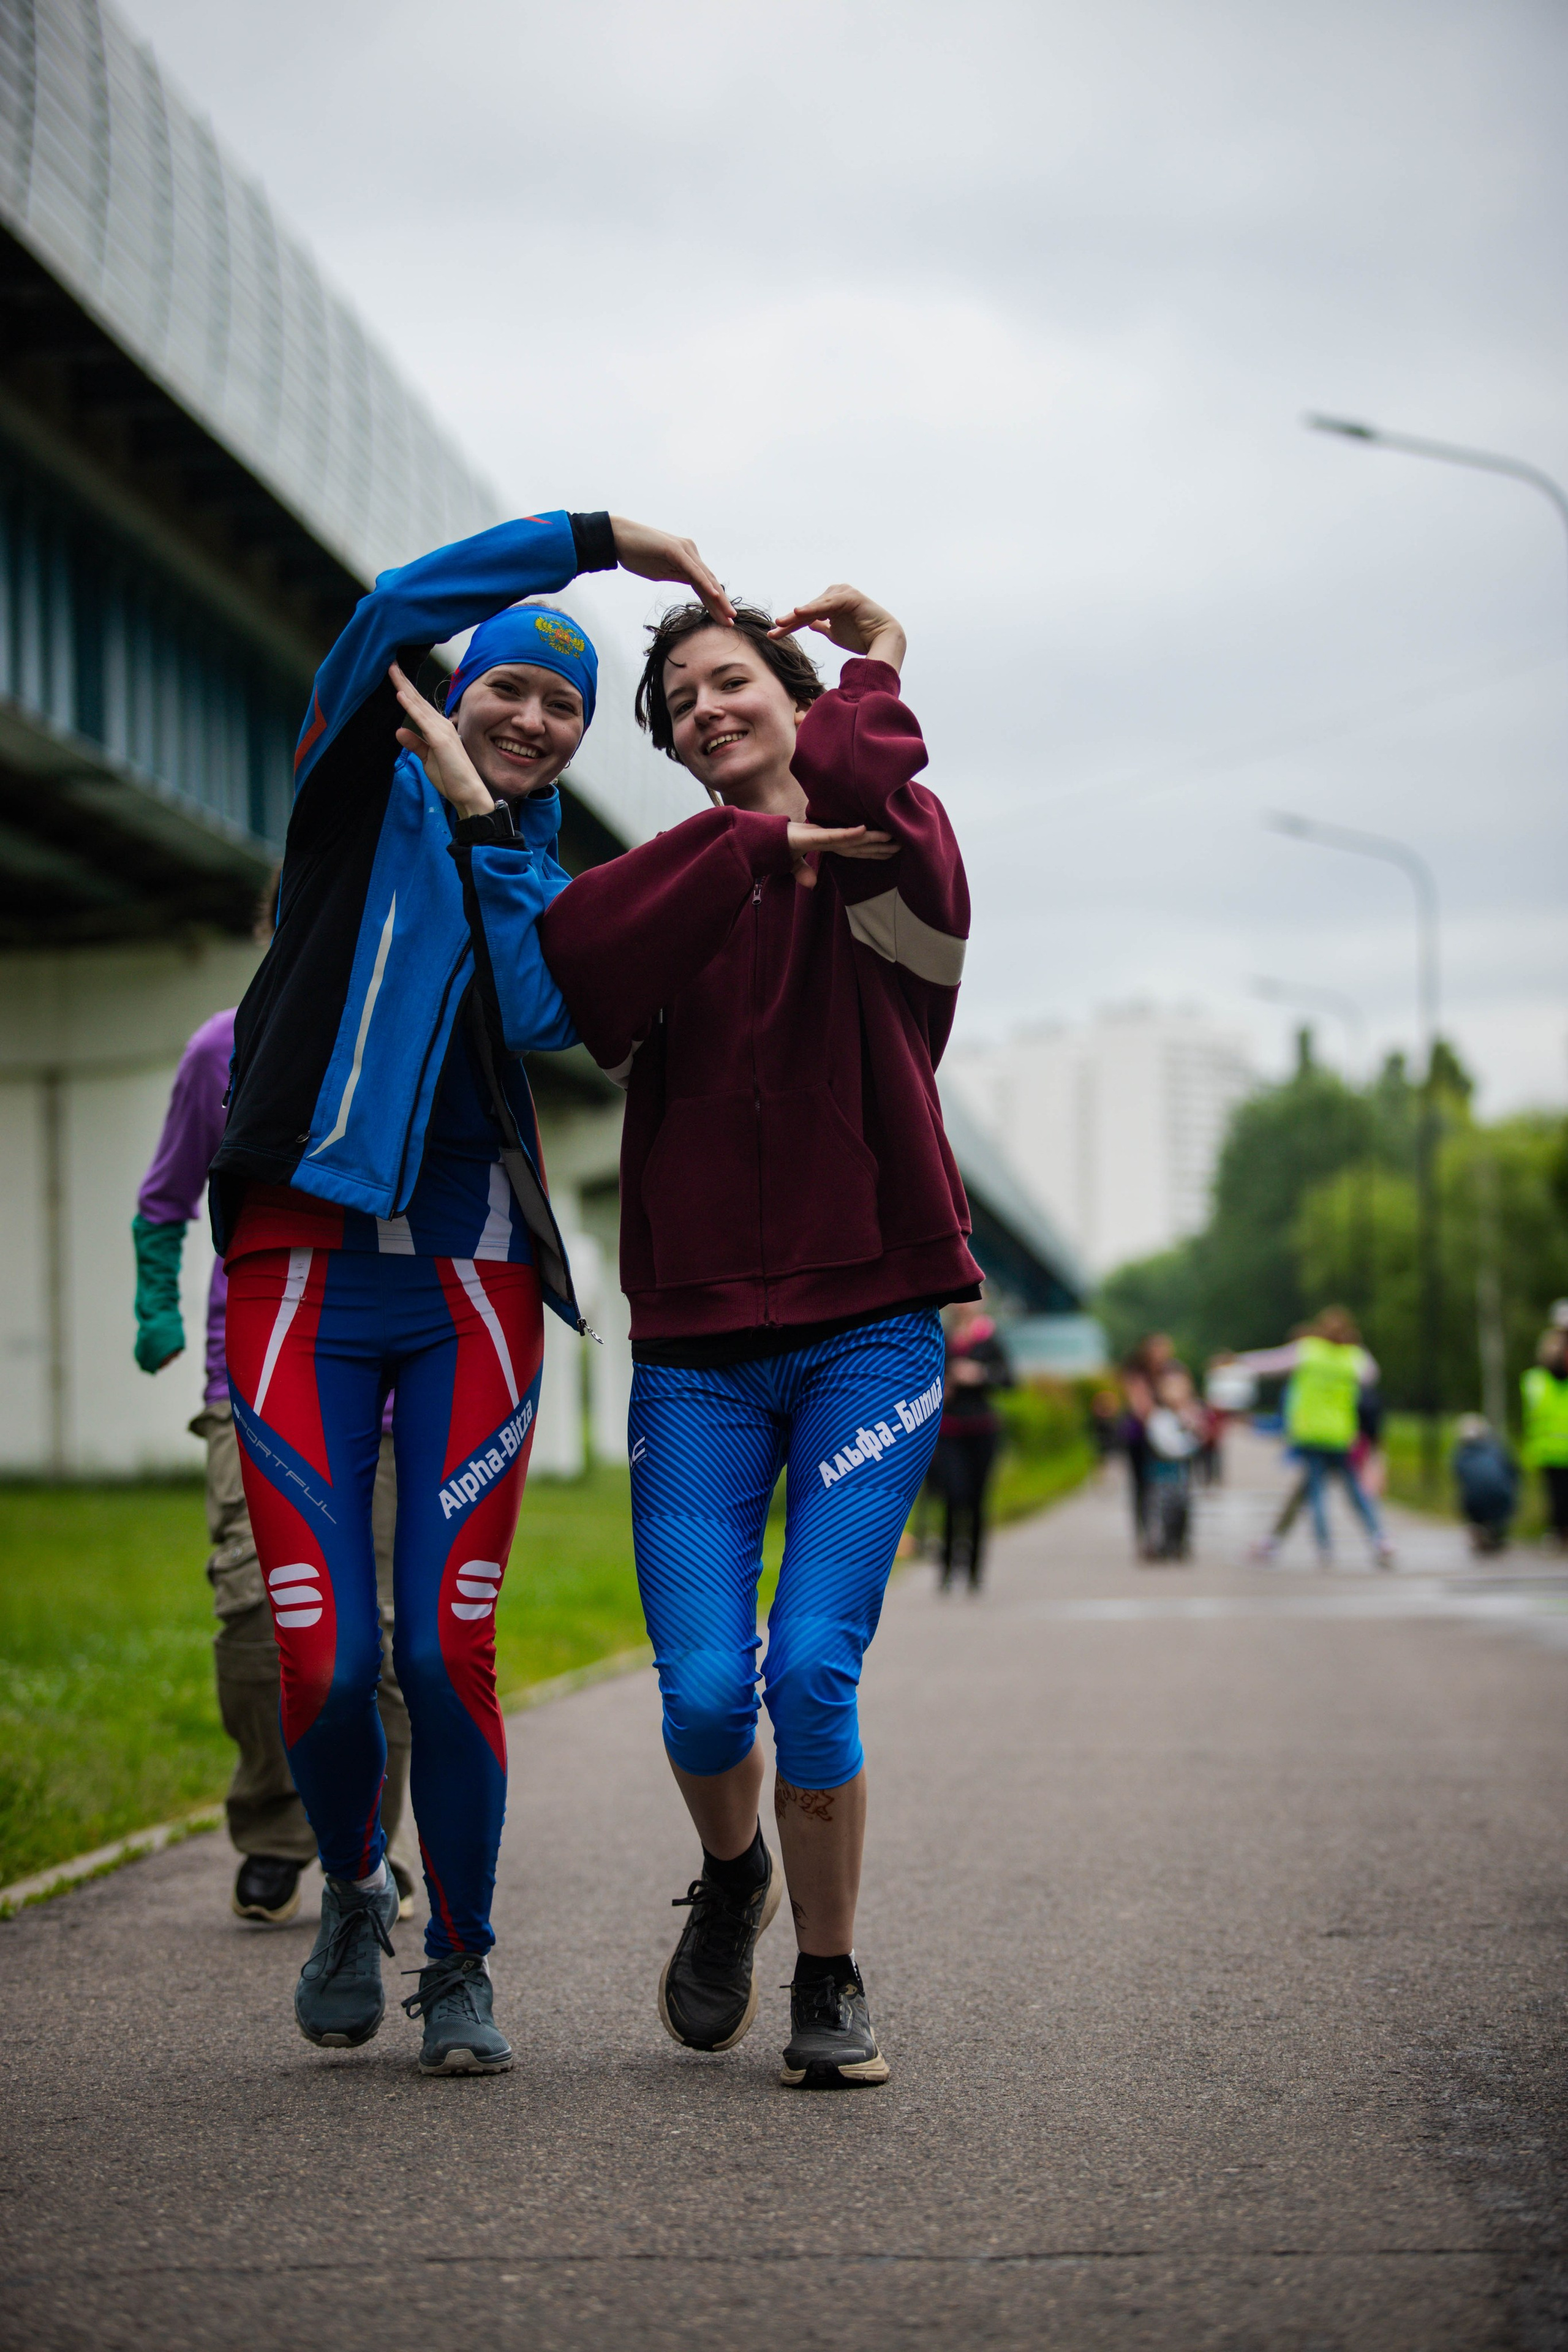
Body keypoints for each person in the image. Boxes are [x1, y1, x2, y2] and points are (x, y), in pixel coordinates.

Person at [210, 507, 731, 2073]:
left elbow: (532, 1007)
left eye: (562, 709)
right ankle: (354, 1888)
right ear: (458, 683)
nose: (530, 718)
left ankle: (461, 1956)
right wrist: (597, 540)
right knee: (327, 1656)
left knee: (442, 1652)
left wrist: (488, 822)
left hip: (472, 1288)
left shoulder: (529, 853)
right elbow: (390, 601)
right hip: (298, 1272)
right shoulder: (345, 783)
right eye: (508, 689)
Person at [530, 584, 980, 2088]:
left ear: (793, 694)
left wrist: (882, 662)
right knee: (704, 1685)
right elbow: (577, 965)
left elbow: (858, 783)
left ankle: (831, 1972)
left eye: (734, 680)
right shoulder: (669, 884)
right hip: (700, 1348)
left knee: (808, 1670)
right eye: (680, 701)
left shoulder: (892, 857)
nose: (705, 708)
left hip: (871, 1331)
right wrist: (739, 849)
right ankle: (732, 1876)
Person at [134, 1002, 416, 1924]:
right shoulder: (220, 1045)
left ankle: (365, 1851)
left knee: (377, 1633)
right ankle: (274, 1822)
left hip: (389, 1385)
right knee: (257, 1611)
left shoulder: (407, 1025)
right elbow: (167, 1195)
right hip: (252, 1372)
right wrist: (156, 1305)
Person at [1238, 1308, 1393, 1569]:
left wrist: (1236, 1361)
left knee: (1316, 1492)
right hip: (1341, 1434)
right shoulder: (1353, 1357)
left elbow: (1270, 1362)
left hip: (1310, 1433)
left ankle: (1324, 1546)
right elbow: (1372, 1374)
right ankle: (1380, 1539)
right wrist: (1354, 1346)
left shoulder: (1308, 1350)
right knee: (1353, 1491)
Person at [931, 1297, 1012, 1591]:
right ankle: (948, 1568)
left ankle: (976, 1572)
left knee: (978, 1501)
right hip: (950, 1430)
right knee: (954, 1496)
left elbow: (1009, 1380)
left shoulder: (989, 1340)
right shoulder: (942, 1337)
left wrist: (980, 1375)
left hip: (982, 1428)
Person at [1143, 1365, 1203, 1559]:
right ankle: (1160, 1543)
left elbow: (1199, 1438)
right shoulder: (1159, 1417)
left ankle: (1180, 1543)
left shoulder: (1188, 1414)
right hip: (1163, 1471)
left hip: (1181, 1471)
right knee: (1161, 1508)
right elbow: (1170, 1446)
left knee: (1183, 1506)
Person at [1521, 1328, 1568, 1548]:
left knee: (1557, 1495)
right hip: (1550, 1449)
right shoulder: (1537, 1380)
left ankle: (1558, 1532)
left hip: (1548, 1447)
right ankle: (1558, 1531)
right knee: (1556, 1496)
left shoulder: (1535, 1380)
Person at [1450, 1415, 1518, 1555]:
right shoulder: (1498, 1449)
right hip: (1502, 1496)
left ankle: (1480, 1530)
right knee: (1502, 1504)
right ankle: (1497, 1533)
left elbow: (1460, 1478)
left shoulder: (1461, 1454)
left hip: (1474, 1501)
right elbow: (1513, 1471)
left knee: (1471, 1497)